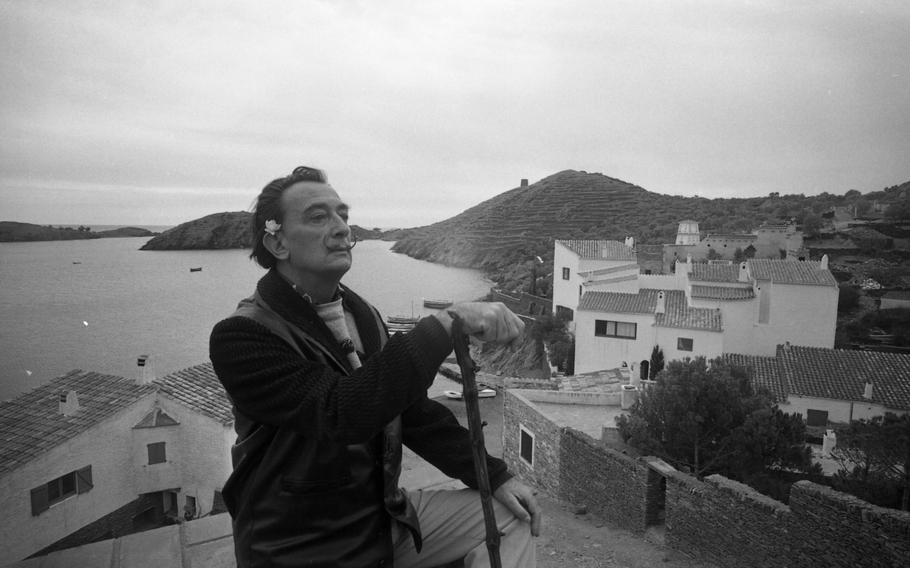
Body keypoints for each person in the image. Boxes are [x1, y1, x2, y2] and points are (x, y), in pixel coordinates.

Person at [210, 165, 540, 567]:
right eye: (318, 217)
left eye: (343, 216)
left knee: (514, 516)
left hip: (380, 520)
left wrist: (494, 475)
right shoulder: (242, 336)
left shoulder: (363, 314)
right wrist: (446, 324)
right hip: (298, 546)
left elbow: (412, 414)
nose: (343, 229)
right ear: (277, 243)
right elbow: (340, 411)